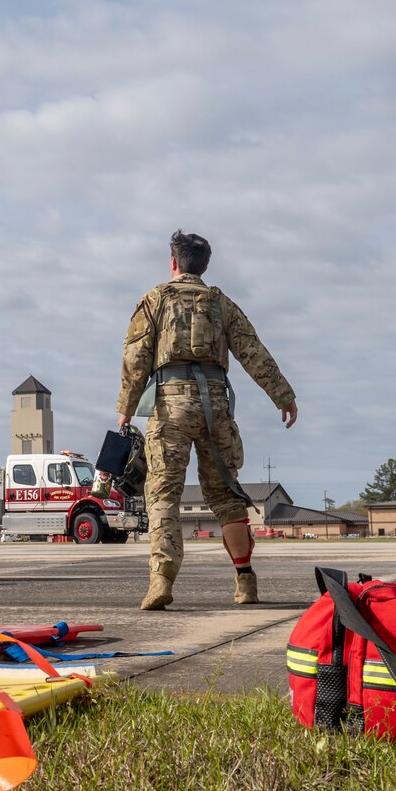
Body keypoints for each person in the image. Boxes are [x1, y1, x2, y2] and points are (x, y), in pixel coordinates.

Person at [116, 230, 297, 610]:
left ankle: (161, 582)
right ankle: (245, 582)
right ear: (205, 266)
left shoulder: (154, 300)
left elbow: (135, 360)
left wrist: (126, 408)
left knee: (164, 493)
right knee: (227, 496)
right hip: (216, 407)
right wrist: (283, 395)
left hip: (170, 407)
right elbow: (253, 352)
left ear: (173, 262)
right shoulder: (221, 304)